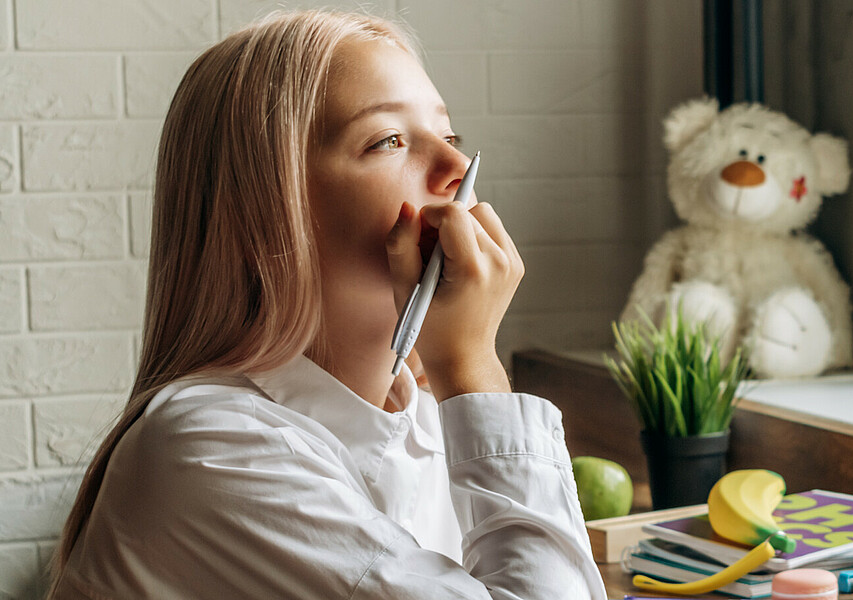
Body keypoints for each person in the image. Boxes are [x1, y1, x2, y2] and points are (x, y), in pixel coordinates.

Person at [45, 10, 606, 599]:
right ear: (267, 213)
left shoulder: (427, 419)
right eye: (388, 140)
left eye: (450, 137)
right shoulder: (211, 450)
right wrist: (472, 364)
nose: (457, 172)